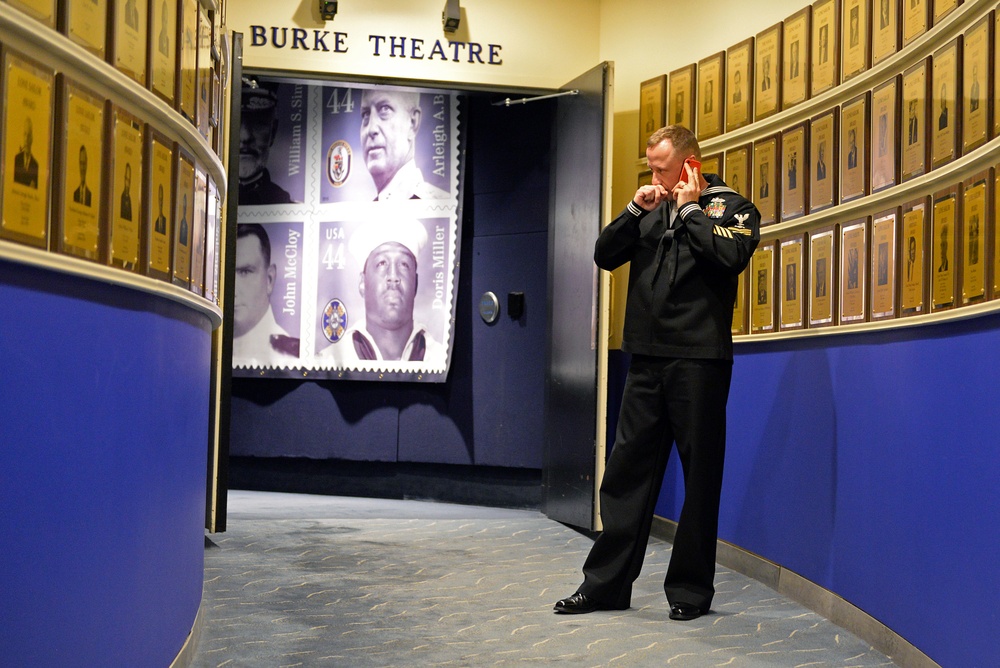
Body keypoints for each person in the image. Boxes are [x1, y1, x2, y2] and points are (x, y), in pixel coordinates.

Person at [553, 125, 760, 621]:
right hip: (645, 359)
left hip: (699, 361)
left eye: (661, 166)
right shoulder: (647, 208)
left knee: (700, 478)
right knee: (626, 475)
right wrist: (633, 210)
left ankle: (689, 592)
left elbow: (729, 255)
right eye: (649, 165)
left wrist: (689, 210)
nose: (654, 175)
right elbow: (605, 254)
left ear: (690, 162)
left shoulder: (732, 207)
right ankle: (604, 586)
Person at [322, 219, 444, 363]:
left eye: (404, 265)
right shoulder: (330, 362)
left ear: (415, 283)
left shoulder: (440, 359)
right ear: (362, 283)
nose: (393, 276)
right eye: (381, 263)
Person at [359, 89, 449, 201]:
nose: (371, 129)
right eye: (366, 114)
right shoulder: (366, 214)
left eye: (385, 109)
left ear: (413, 123)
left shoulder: (440, 205)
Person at [233, 223, 300, 362]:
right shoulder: (206, 351)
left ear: (269, 280)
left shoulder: (291, 360)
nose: (233, 288)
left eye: (245, 272)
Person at [239, 78, 294, 205]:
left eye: (258, 123)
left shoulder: (284, 204)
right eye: (236, 122)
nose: (245, 136)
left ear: (273, 131)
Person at [13, 118, 39, 188]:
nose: (26, 139)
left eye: (29, 135)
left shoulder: (35, 165)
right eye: (25, 134)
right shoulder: (17, 159)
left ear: (32, 138)